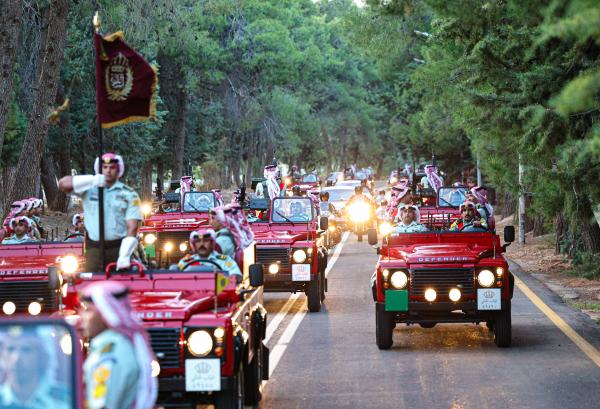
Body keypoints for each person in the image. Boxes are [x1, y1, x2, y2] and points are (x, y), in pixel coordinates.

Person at [58, 153, 142, 272]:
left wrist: (124, 254)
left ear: (118, 170)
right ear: (100, 169)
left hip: (118, 248)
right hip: (94, 249)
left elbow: (132, 227)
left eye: (112, 167)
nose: (108, 171)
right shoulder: (89, 189)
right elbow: (63, 184)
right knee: (93, 282)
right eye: (105, 167)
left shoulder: (129, 194)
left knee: (120, 282)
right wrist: (93, 179)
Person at [80, 281, 157, 409]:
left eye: (88, 310)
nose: (81, 317)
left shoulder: (110, 355)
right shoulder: (119, 346)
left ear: (105, 313)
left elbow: (101, 405)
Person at [0, 327, 70, 409]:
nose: (16, 359)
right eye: (10, 349)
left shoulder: (64, 399)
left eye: (26, 350)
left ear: (42, 356)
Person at [177, 228, 242, 279]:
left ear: (212, 243)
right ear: (194, 245)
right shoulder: (185, 262)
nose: (202, 244)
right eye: (198, 241)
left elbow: (237, 277)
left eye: (206, 241)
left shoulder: (225, 260)